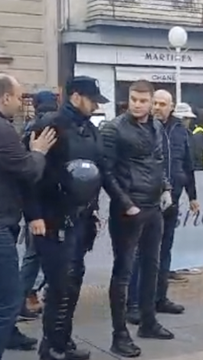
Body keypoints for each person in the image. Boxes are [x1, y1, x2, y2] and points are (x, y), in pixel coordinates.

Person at [23, 76, 112, 360]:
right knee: (59, 285)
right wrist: (34, 215)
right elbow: (29, 175)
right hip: (52, 217)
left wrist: (94, 208)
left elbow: (94, 172)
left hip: (80, 218)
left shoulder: (88, 128)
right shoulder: (50, 125)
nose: (96, 105)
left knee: (72, 283)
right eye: (92, 99)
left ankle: (64, 340)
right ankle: (51, 347)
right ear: (76, 96)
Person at [101, 80, 175, 357]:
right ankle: (119, 334)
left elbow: (157, 162)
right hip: (129, 207)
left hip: (153, 205)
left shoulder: (156, 126)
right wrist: (126, 203)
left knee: (152, 266)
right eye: (134, 99)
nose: (138, 104)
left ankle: (148, 321)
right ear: (127, 98)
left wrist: (166, 188)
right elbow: (106, 172)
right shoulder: (114, 128)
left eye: (143, 100)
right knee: (123, 273)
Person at [126, 94, 199, 325]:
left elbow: (187, 165)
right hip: (144, 201)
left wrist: (193, 196)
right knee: (140, 254)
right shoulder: (140, 128)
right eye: (154, 103)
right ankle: (134, 304)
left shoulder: (180, 131)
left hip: (171, 201)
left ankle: (159, 298)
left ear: (171, 107)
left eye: (162, 104)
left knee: (164, 251)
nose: (157, 108)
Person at [0, 74, 56, 358]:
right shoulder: (4, 130)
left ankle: (10, 333)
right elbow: (28, 171)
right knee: (9, 299)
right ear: (5, 97)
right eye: (19, 97)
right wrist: (38, 152)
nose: (22, 104)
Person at [18, 90, 59, 321]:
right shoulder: (50, 128)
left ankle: (27, 296)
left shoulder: (29, 129)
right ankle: (24, 297)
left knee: (35, 254)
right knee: (37, 255)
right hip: (47, 201)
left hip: (35, 201)